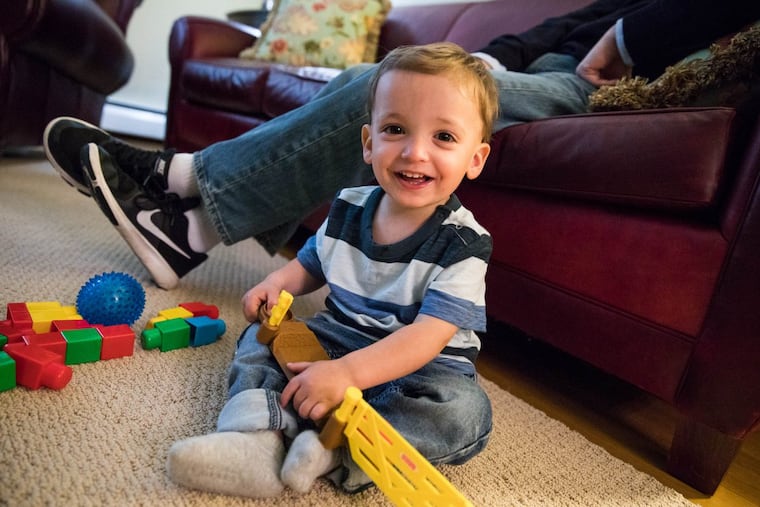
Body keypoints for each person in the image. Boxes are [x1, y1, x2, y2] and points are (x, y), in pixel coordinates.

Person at [43, 0, 760, 289]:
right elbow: (536, 36)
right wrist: (483, 60)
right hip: (537, 68)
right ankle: (190, 227)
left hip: (599, 88)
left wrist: (627, 38)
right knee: (370, 75)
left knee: (390, 87)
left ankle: (182, 179)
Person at [156, 41, 497, 499]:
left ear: (475, 159)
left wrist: (351, 375)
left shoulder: (464, 245)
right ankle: (257, 438)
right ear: (368, 142)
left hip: (423, 370)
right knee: (260, 341)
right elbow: (313, 262)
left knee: (465, 413)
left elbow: (426, 338)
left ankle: (331, 453)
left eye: (444, 138)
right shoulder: (349, 206)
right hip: (340, 338)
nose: (416, 153)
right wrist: (279, 284)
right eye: (396, 129)